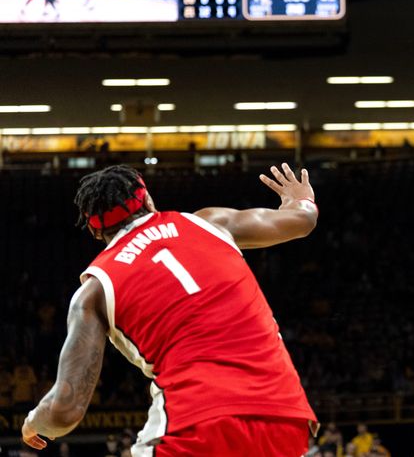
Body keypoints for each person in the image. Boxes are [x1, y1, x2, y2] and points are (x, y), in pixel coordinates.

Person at [21, 164, 319, 455]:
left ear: (95, 233)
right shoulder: (209, 222)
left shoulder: (94, 290)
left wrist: (33, 422)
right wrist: (300, 198)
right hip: (285, 418)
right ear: (148, 199)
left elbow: (64, 411)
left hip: (193, 426)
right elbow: (302, 220)